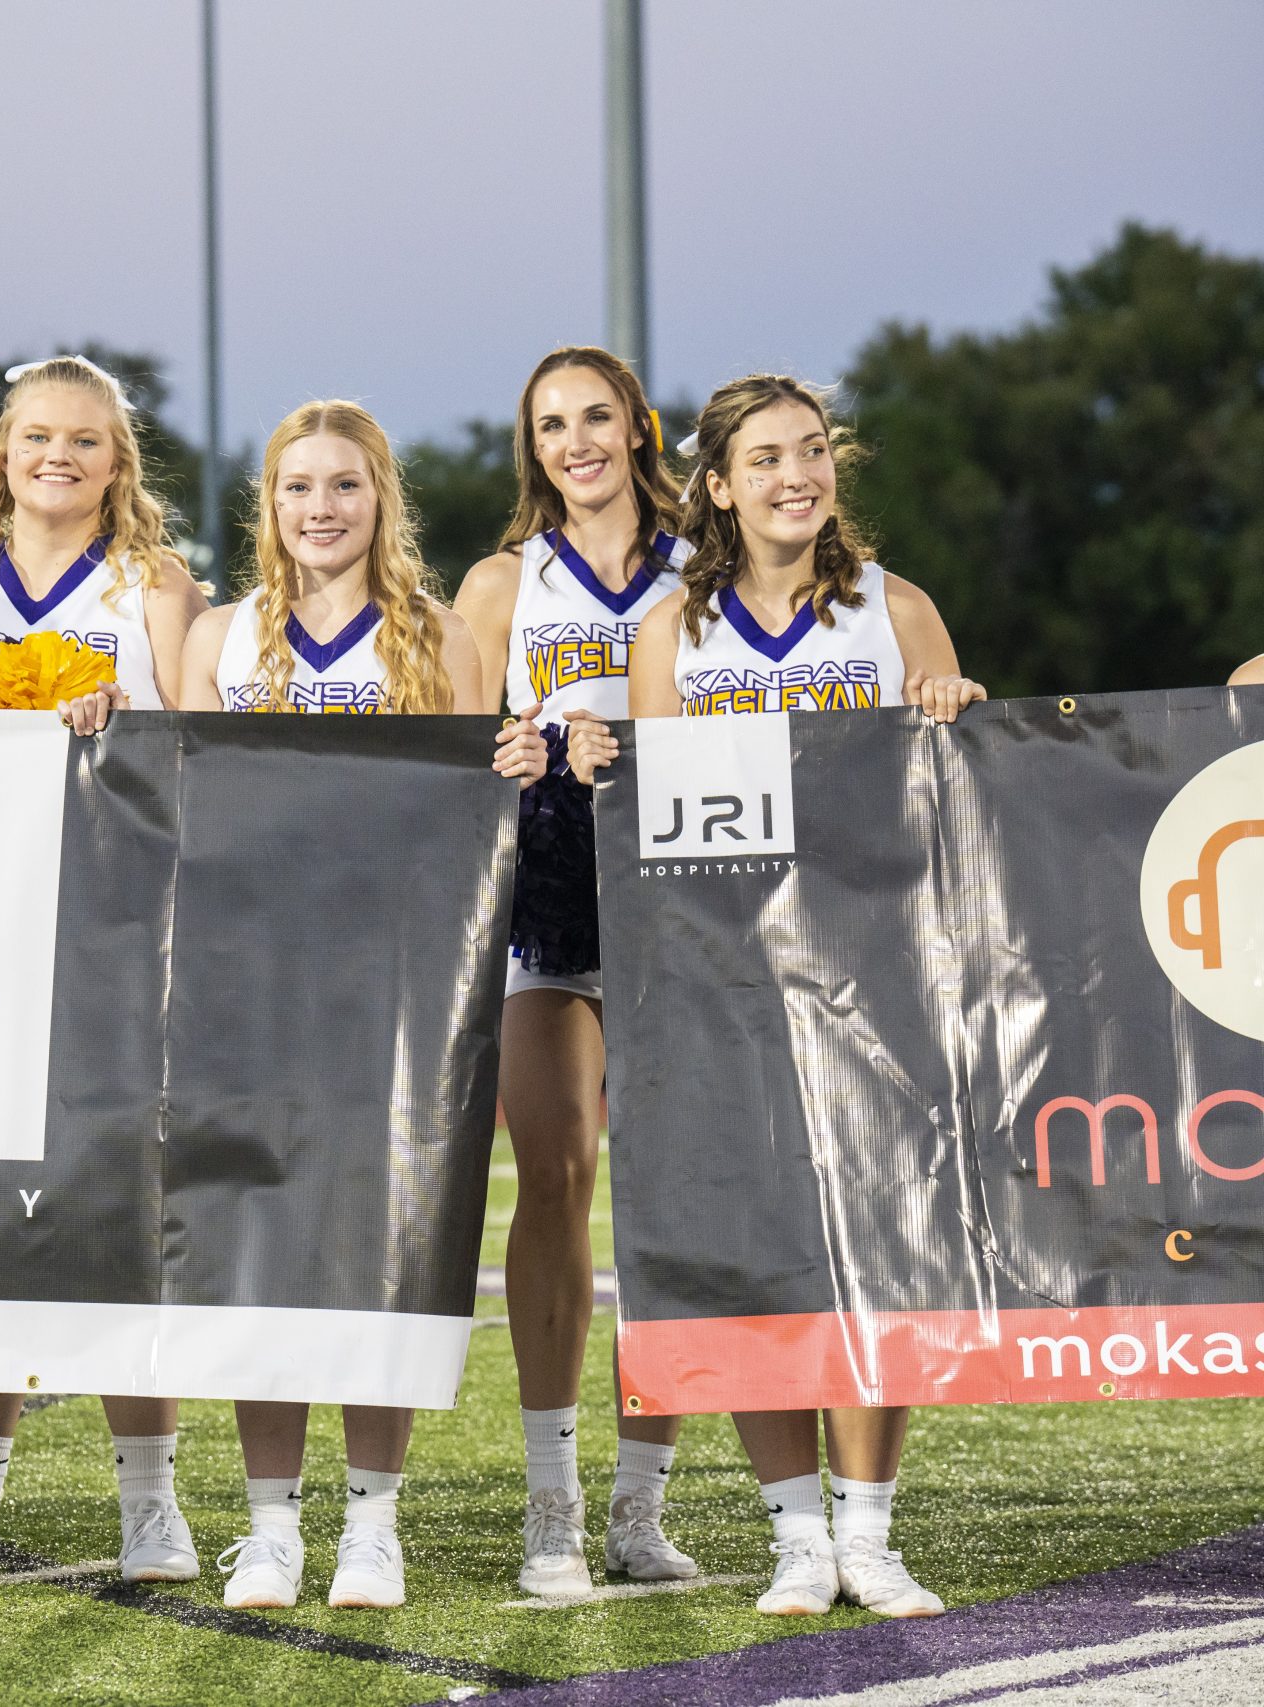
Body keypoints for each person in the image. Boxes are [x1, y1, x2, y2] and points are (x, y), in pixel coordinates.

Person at [629, 373, 985, 1620]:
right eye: (767, 459)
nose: (797, 475)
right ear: (717, 487)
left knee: (883, 1250)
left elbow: (963, 801)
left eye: (814, 453)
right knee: (753, 1254)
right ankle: (793, 1535)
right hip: (725, 985)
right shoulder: (671, 635)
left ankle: (870, 1532)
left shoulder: (899, 610)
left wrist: (954, 713)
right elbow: (654, 834)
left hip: (882, 981)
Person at [181, 400, 546, 1610]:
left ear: (379, 499)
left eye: (343, 486)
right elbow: (182, 804)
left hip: (394, 991)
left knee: (387, 1246)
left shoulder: (438, 639)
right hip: (252, 987)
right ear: (268, 505)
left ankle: (374, 1522)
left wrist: (518, 761)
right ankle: (272, 1525)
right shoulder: (219, 639)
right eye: (297, 488)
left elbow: (471, 816)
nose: (320, 509)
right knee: (262, 1249)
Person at [0, 356, 214, 1590]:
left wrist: (124, 725)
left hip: (121, 933)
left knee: (127, 1217)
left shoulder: (154, 588)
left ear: (118, 466)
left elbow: (202, 743)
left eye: (83, 442)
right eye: (33, 439)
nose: (56, 458)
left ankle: (152, 1508)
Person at [452, 347, 698, 1599]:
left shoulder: (709, 568)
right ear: (532, 447)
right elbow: (445, 743)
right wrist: (502, 748)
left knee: (673, 1195)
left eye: (595, 416)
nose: (574, 441)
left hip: (685, 901)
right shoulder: (504, 581)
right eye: (551, 425)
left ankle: (637, 1511)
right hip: (544, 904)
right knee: (553, 1175)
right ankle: (550, 1510)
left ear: (640, 428)